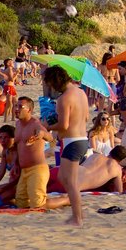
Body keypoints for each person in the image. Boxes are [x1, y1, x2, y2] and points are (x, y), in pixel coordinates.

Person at [43, 67, 89, 225]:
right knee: (65, 177)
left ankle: (78, 217)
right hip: (82, 139)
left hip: (72, 142)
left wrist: (48, 126)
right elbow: (87, 117)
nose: (52, 88)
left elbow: (63, 125)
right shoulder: (81, 93)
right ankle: (79, 213)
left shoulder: (64, 98)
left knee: (70, 181)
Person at [14, 96, 71, 212]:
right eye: (16, 106)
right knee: (21, 203)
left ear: (29, 110)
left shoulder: (35, 124)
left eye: (20, 107)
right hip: (24, 170)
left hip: (37, 169)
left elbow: (50, 137)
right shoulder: (18, 125)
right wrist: (16, 164)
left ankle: (67, 200)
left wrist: (41, 134)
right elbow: (18, 146)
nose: (16, 109)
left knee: (38, 205)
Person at [48, 146, 126, 194]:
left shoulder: (96, 155)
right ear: (121, 160)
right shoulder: (117, 169)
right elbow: (118, 191)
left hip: (61, 171)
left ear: (110, 151)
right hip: (71, 186)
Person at [0, 125, 19, 204]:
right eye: (1, 137)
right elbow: (1, 172)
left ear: (14, 138)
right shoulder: (5, 151)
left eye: (6, 137)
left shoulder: (19, 152)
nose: (3, 141)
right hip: (12, 184)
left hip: (21, 183)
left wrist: (4, 187)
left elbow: (21, 176)